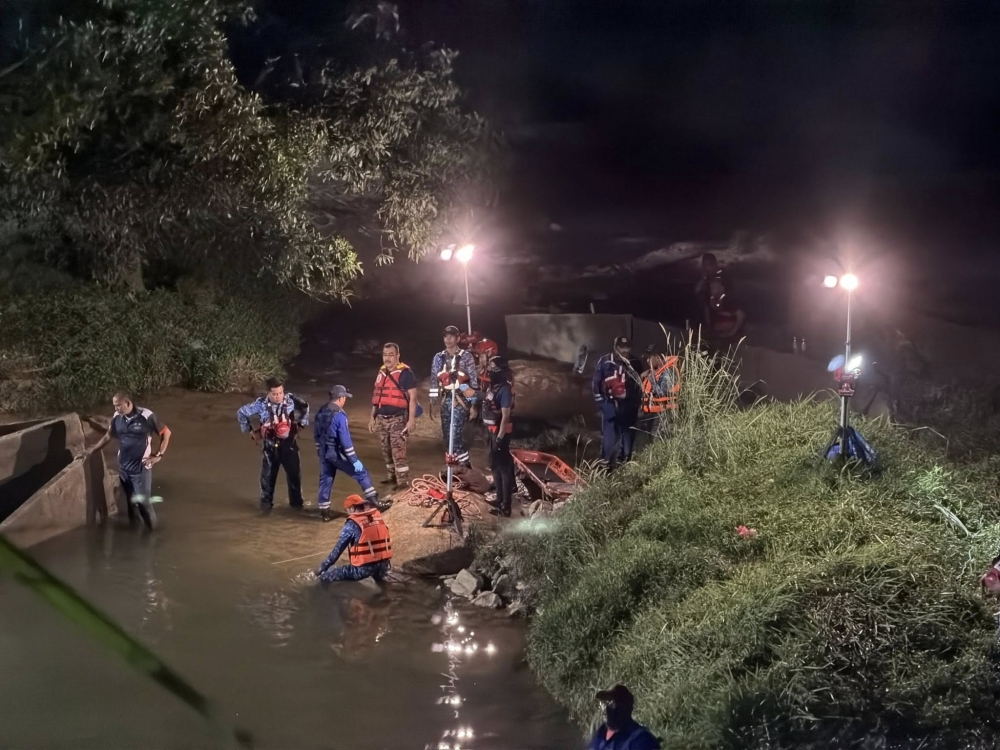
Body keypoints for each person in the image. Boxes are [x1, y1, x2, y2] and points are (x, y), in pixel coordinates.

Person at [314, 385, 389, 522]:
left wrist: (319, 450)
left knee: (326, 478)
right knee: (362, 473)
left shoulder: (321, 410)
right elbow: (345, 441)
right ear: (341, 398)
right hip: (336, 453)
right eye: (345, 398)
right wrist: (354, 460)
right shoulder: (340, 416)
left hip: (324, 452)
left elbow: (317, 434)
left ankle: (324, 512)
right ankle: (374, 501)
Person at [237, 377, 309, 511]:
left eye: (280, 393)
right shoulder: (260, 405)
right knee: (267, 482)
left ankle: (297, 509)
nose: (278, 396)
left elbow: (305, 407)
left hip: (290, 446)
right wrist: (251, 431)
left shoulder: (292, 401)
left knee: (295, 480)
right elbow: (241, 413)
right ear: (268, 393)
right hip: (270, 448)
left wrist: (302, 424)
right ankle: (265, 512)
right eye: (275, 394)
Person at [109, 392, 171, 531]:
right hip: (124, 468)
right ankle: (135, 533)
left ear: (128, 403)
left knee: (144, 503)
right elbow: (109, 435)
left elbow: (166, 433)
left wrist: (159, 454)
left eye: (118, 406)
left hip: (141, 468)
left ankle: (153, 536)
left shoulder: (146, 416)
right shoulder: (117, 417)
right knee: (131, 502)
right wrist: (92, 450)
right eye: (114, 406)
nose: (116, 409)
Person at [368, 342, 418, 489]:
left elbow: (413, 397)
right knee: (386, 450)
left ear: (397, 356)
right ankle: (391, 477)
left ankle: (402, 483)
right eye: (385, 355)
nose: (387, 358)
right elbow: (377, 397)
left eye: (391, 354)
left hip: (398, 418)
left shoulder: (405, 374)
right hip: (382, 419)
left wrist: (411, 420)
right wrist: (372, 417)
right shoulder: (381, 372)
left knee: (398, 452)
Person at [429, 325, 479, 467]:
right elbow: (434, 380)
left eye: (451, 336)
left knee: (455, 434)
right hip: (446, 400)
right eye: (445, 336)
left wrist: (473, 404)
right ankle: (454, 467)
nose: (448, 339)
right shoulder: (438, 357)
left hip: (460, 400)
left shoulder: (466, 357)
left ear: (457, 338)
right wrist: (433, 401)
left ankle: (465, 465)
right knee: (447, 436)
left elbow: (473, 382)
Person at [314, 494, 393, 582]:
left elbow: (337, 551)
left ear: (351, 508)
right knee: (381, 581)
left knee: (325, 577)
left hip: (363, 569)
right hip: (383, 565)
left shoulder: (352, 524)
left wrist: (321, 568)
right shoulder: (377, 517)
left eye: (347, 510)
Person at [592, 336, 642, 469]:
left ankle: (626, 463)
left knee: (627, 436)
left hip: (628, 407)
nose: (625, 350)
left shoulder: (635, 362)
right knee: (609, 438)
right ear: (616, 347)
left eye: (627, 347)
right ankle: (606, 466)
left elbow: (640, 385)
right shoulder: (605, 361)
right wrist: (602, 404)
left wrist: (636, 404)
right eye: (621, 347)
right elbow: (596, 384)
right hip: (610, 405)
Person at [481, 356, 516, 517]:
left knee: (503, 469)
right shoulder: (493, 387)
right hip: (491, 431)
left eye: (493, 367)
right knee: (494, 466)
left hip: (500, 433)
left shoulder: (505, 390)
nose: (490, 370)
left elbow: (505, 416)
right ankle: (499, 499)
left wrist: (500, 437)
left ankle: (505, 506)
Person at [589, 685, 661, 750]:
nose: (605, 709)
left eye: (612, 703)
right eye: (604, 703)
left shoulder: (641, 739)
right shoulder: (601, 736)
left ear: (626, 708)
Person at [638, 353, 681, 446]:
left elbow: (662, 392)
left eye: (649, 358)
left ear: (657, 357)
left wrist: (651, 379)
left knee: (658, 439)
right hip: (655, 411)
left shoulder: (669, 371)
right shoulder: (657, 371)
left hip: (665, 411)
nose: (647, 361)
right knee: (652, 438)